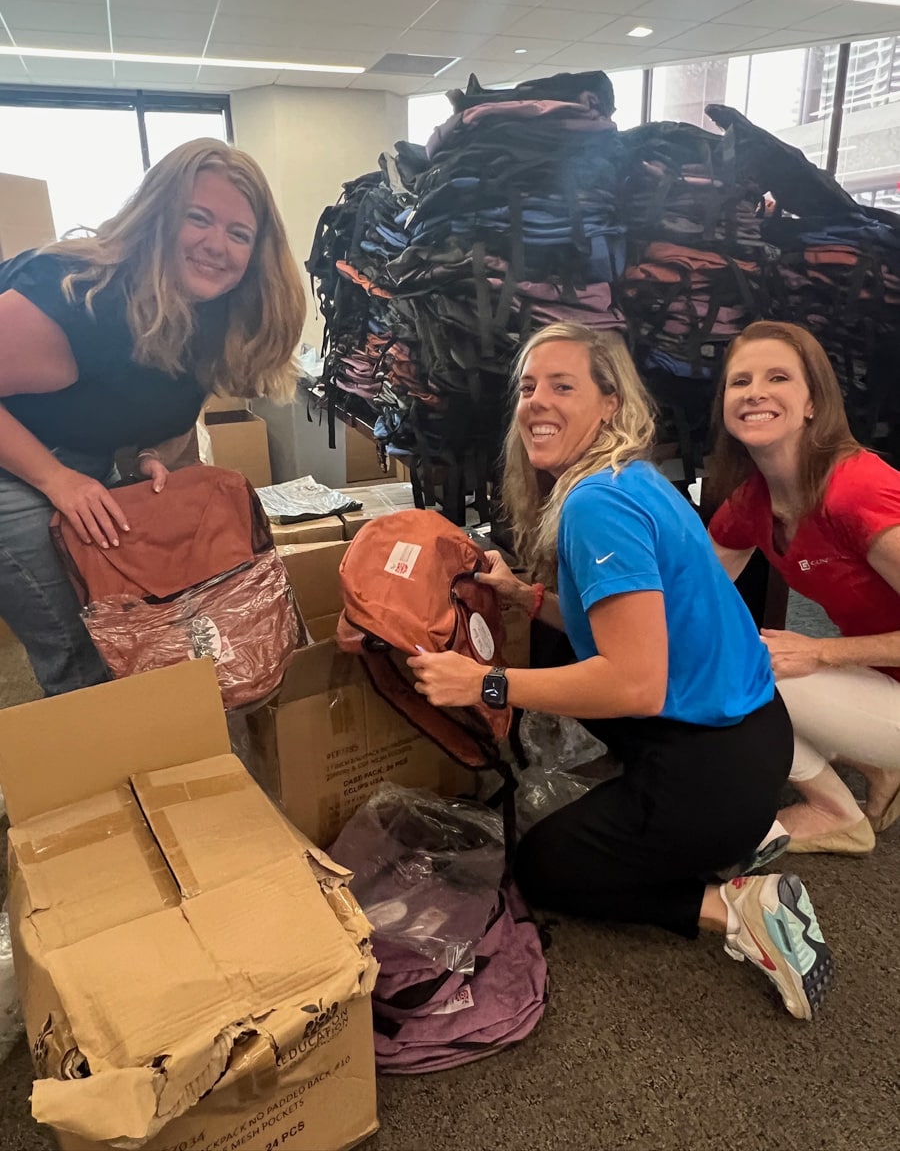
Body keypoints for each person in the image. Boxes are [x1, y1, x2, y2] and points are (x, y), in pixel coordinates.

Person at [408, 321, 833, 1021]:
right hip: (754, 739)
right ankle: (710, 840)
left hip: (714, 771)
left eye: (563, 386)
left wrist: (484, 683)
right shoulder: (632, 477)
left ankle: (734, 907)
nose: (537, 402)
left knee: (542, 866)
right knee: (579, 678)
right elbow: (619, 626)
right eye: (528, 387)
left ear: (610, 403)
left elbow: (634, 682)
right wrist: (524, 597)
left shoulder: (595, 505)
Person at [0, 137, 305, 696]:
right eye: (198, 218)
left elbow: (168, 410)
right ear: (158, 217)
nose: (217, 245)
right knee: (81, 642)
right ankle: (97, 744)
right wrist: (56, 478)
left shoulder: (212, 313)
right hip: (12, 460)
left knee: (129, 621)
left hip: (78, 453)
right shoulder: (81, 298)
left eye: (239, 233)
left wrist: (147, 454)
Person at [707, 319, 900, 854]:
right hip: (880, 676)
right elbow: (693, 595)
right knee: (721, 655)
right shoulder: (753, 499)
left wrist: (820, 652)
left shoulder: (856, 491)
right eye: (740, 381)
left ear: (813, 402)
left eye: (778, 378)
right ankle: (880, 766)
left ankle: (836, 814)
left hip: (879, 671)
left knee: (748, 669)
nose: (755, 393)